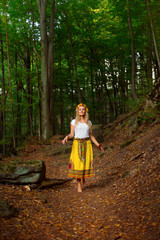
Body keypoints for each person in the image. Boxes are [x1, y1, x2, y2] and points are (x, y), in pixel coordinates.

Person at [62, 103, 104, 192]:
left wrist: (98, 145)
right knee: (77, 164)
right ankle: (79, 186)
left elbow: (91, 135)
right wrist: (67, 137)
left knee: (85, 163)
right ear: (77, 111)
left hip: (87, 143)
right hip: (77, 144)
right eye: (80, 109)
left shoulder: (89, 122)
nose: (81, 111)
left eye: (83, 109)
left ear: (86, 111)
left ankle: (83, 176)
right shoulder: (74, 122)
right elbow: (71, 134)